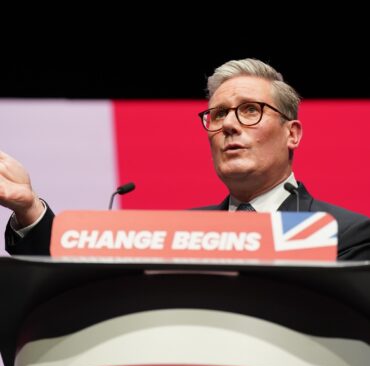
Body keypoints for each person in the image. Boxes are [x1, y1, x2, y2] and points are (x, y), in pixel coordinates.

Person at [1, 58, 370, 259]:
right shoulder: (179, 236)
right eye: (219, 114)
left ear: (293, 133)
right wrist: (30, 211)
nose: (229, 125)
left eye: (250, 110)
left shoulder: (345, 234)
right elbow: (78, 283)